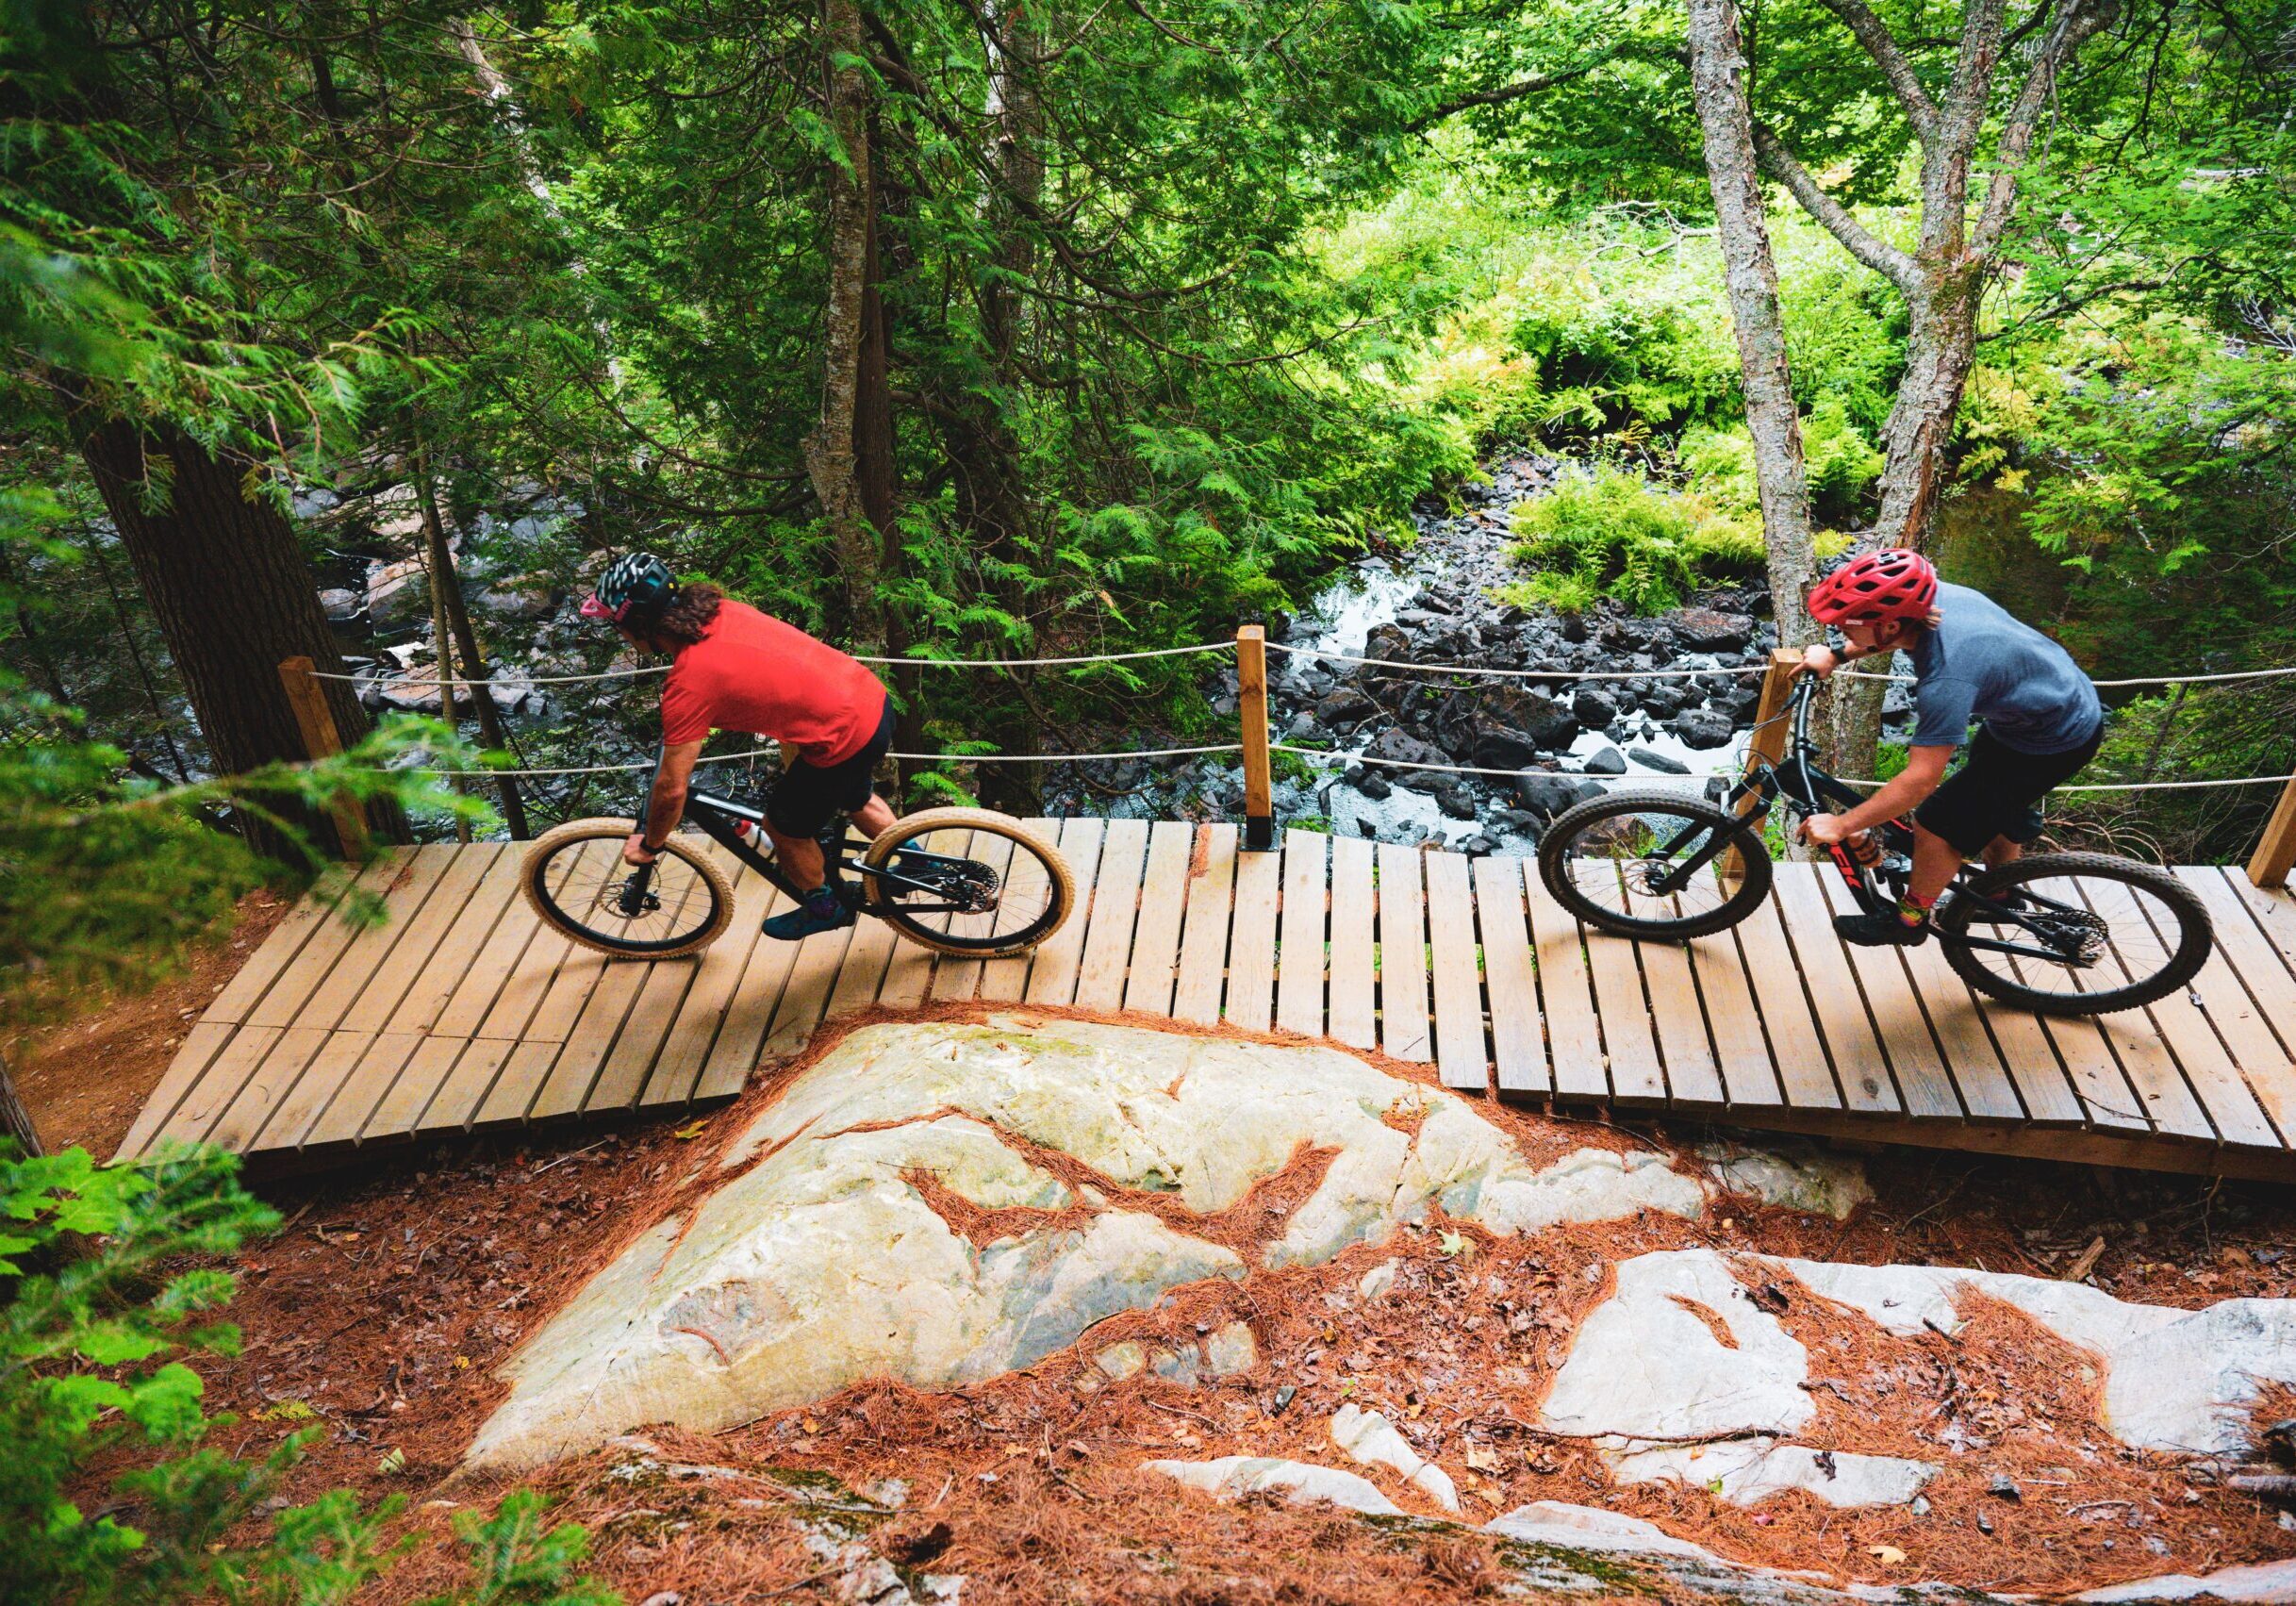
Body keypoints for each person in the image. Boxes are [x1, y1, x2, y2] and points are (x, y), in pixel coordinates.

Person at [1793, 548, 2104, 948]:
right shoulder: (1929, 600)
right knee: (1986, 801)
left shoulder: (1947, 679)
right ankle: (1999, 892)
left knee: (1936, 823)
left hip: (2053, 740)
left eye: (1846, 623)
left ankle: (1909, 920)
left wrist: (1841, 825)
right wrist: (1837, 655)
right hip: (2039, 709)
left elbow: (1920, 780)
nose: (1839, 627)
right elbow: (1895, 631)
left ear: (1887, 625)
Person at [581, 552, 897, 940]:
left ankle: (826, 908)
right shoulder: (721, 610)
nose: (621, 635)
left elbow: (674, 788)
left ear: (640, 623)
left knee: (783, 828)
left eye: (619, 627)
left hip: (841, 736)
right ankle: (916, 860)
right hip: (869, 702)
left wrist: (650, 842)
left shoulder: (690, 682)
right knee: (854, 793)